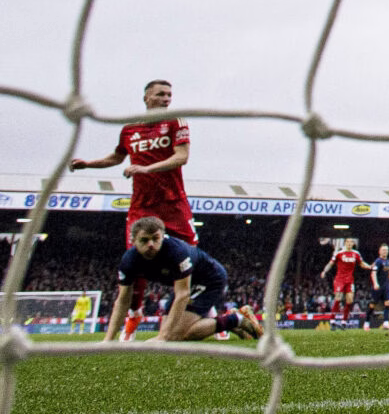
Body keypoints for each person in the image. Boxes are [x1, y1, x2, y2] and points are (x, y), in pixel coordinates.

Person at [72, 79, 195, 244]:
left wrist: (147, 169)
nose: (166, 99)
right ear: (146, 98)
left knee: (189, 253)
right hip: (141, 205)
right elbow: (117, 157)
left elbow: (181, 157)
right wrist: (88, 164)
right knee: (136, 255)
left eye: (169, 95)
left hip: (172, 202)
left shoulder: (176, 122)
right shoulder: (130, 129)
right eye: (160, 94)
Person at [101, 216, 260, 343]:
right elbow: (123, 301)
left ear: (162, 236)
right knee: (171, 332)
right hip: (189, 285)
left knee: (176, 335)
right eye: (144, 240)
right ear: (133, 240)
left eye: (155, 238)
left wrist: (162, 338)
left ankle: (236, 319)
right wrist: (107, 341)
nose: (151, 245)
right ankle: (232, 321)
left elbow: (183, 294)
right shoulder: (129, 261)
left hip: (210, 279)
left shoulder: (176, 252)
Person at [320, 237, 364, 322]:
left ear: (353, 244)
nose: (349, 243)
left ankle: (344, 321)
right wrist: (324, 271)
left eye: (351, 242)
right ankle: (332, 320)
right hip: (340, 279)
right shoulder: (339, 253)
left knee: (350, 300)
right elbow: (330, 263)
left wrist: (370, 267)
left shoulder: (356, 254)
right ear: (345, 243)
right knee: (338, 298)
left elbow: (362, 263)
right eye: (348, 242)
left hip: (350, 280)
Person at [367, 243, 389, 330]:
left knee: (388, 303)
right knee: (373, 305)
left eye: (387, 250)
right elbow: (373, 273)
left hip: (386, 286)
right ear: (379, 251)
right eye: (383, 250)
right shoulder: (378, 261)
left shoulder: (388, 261)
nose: (385, 252)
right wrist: (376, 283)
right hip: (378, 286)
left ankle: (386, 323)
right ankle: (366, 322)